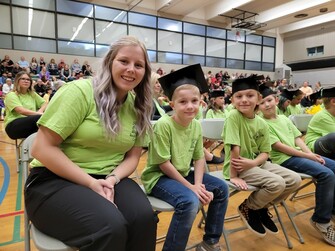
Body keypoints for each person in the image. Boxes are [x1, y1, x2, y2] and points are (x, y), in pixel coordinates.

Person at [24, 36, 157, 251]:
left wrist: (112, 179)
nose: (131, 69)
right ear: (109, 62)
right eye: (124, 61)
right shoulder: (79, 92)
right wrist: (91, 183)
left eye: (139, 65)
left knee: (143, 220)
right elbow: (41, 148)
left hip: (109, 178)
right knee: (109, 228)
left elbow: (133, 156)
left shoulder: (139, 106)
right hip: (54, 181)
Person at [141, 64, 229, 251]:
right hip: (158, 177)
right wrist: (191, 187)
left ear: (200, 102)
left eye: (194, 101)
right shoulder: (163, 125)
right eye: (182, 102)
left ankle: (210, 242)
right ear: (172, 105)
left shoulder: (196, 125)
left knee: (221, 188)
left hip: (182, 174)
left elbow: (199, 158)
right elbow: (163, 164)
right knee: (189, 201)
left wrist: (197, 184)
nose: (190, 106)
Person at [222, 77, 301, 237]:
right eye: (239, 96)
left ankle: (261, 207)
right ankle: (248, 207)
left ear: (258, 98)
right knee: (277, 183)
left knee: (295, 179)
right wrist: (233, 176)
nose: (244, 100)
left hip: (255, 163)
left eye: (250, 96)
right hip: (238, 165)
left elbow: (265, 152)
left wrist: (253, 162)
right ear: (232, 100)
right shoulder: (233, 116)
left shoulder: (262, 123)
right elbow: (233, 147)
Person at [258, 84, 335, 247]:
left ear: (276, 100)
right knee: (326, 175)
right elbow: (278, 146)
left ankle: (331, 208)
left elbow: (298, 138)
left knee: (333, 167)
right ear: (258, 106)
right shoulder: (262, 123)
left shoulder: (284, 119)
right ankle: (321, 220)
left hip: (300, 153)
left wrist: (312, 154)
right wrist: (307, 155)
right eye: (262, 102)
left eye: (269, 100)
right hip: (284, 159)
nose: (267, 105)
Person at [4, 71, 47, 139]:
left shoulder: (32, 94)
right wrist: (38, 114)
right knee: (40, 118)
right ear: (17, 81)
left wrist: (40, 111)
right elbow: (21, 110)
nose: (26, 81)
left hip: (30, 123)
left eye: (28, 79)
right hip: (13, 126)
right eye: (23, 79)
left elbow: (45, 103)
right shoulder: (11, 95)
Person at [305, 86, 335, 159]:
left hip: (329, 146)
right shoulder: (322, 116)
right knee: (333, 137)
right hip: (315, 147)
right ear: (333, 101)